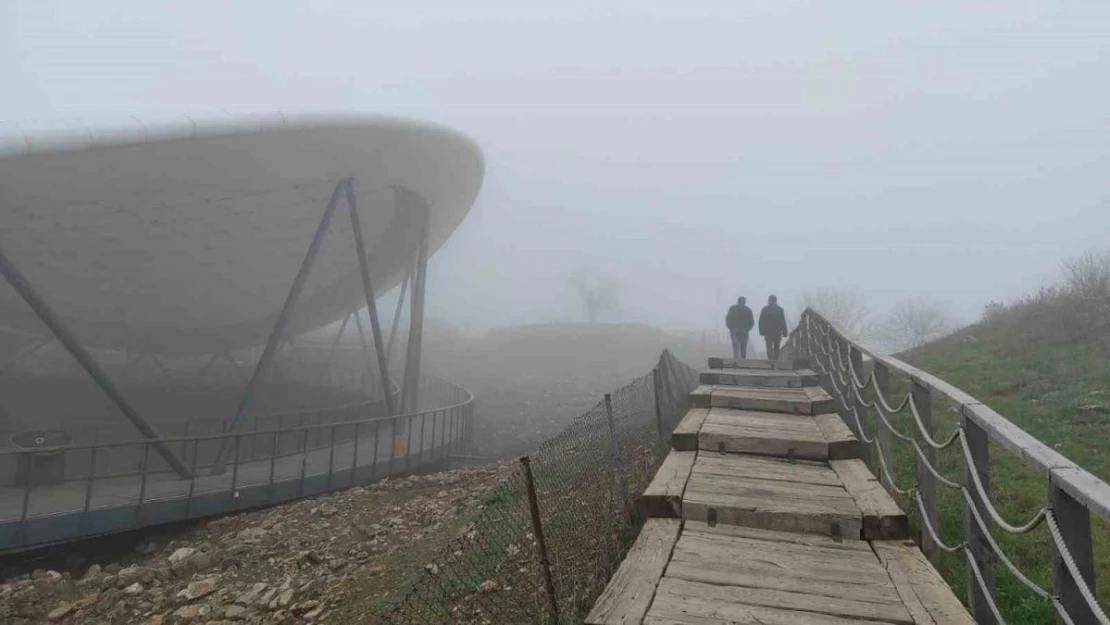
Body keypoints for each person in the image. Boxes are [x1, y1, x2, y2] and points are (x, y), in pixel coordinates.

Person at [758, 294, 789, 361]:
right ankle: (775, 360)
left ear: (769, 300)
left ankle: (770, 360)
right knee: (776, 347)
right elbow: (782, 321)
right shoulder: (780, 310)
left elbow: (761, 321)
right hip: (777, 332)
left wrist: (761, 331)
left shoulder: (765, 309)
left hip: (768, 332)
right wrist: (785, 332)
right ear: (775, 300)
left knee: (769, 346)